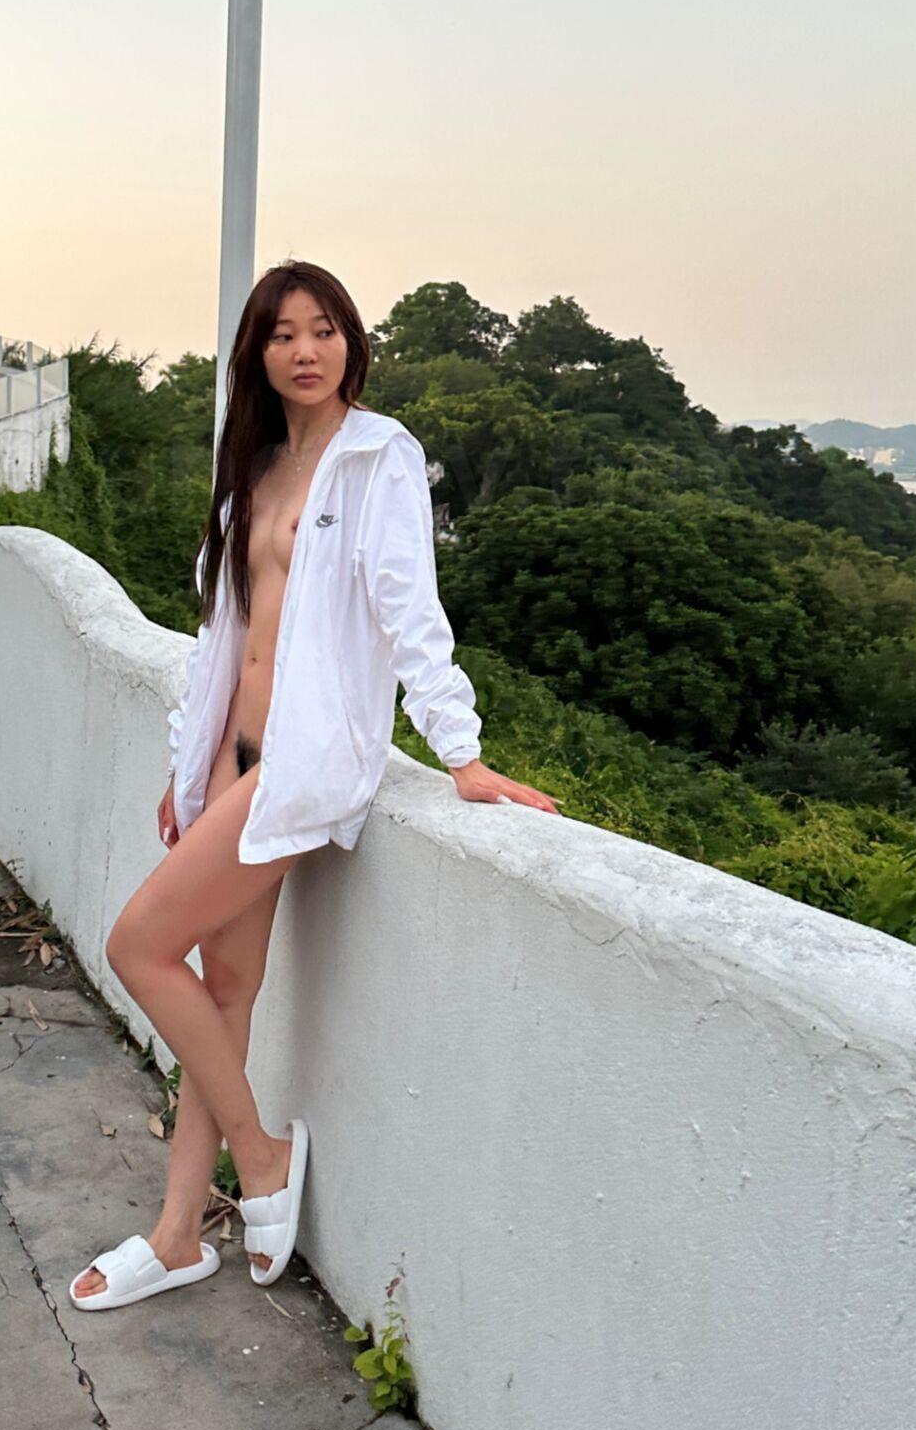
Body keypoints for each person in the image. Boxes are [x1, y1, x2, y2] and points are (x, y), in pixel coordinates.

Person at [69, 260, 557, 1312]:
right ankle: (177, 1234)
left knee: (137, 946)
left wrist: (461, 753)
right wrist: (188, 761)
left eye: (324, 329)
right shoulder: (253, 464)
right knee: (224, 994)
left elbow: (408, 608)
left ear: (351, 342)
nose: (305, 350)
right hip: (231, 757)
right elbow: (222, 632)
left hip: (302, 761)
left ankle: (261, 1156)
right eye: (283, 333)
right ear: (257, 353)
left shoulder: (379, 455)